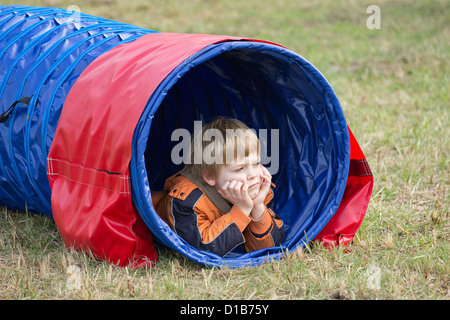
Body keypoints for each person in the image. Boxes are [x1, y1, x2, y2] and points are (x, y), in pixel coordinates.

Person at [152, 117, 284, 257]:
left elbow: (271, 248)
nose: (252, 175)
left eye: (256, 163)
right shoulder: (187, 201)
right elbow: (204, 249)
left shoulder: (256, 190)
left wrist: (257, 207)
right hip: (151, 212)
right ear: (210, 176)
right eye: (240, 168)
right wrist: (242, 209)